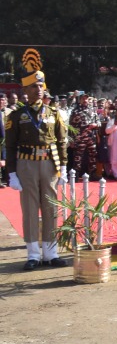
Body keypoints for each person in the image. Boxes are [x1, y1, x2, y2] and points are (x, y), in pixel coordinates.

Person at [2, 50, 68, 269]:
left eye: (41, 86)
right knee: (30, 209)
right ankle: (32, 254)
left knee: (50, 208)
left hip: (50, 164)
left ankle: (51, 253)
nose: (39, 90)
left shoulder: (54, 113)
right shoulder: (15, 116)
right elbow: (10, 146)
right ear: (25, 90)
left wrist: (64, 167)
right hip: (26, 164)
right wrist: (11, 173)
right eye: (34, 87)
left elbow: (61, 142)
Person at [68, 92, 102, 181]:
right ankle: (75, 175)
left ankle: (93, 174)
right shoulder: (75, 111)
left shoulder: (92, 110)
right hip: (80, 138)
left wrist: (96, 125)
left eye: (86, 98)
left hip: (91, 137)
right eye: (83, 99)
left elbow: (99, 122)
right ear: (80, 100)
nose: (85, 100)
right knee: (78, 156)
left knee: (93, 155)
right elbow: (71, 126)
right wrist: (71, 139)